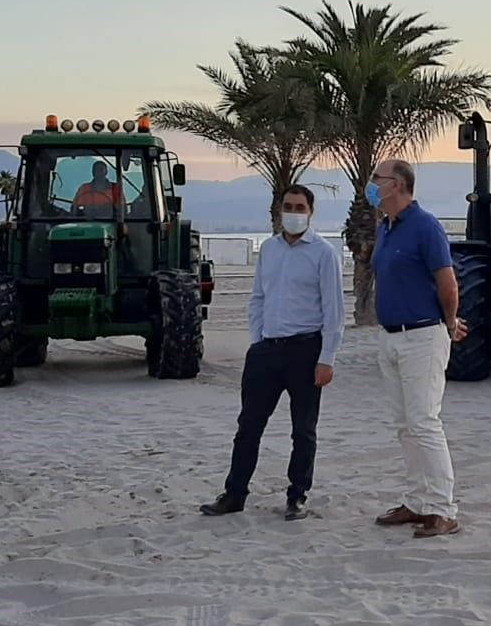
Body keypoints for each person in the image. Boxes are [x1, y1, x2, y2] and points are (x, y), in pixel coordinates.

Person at [200, 183, 344, 521]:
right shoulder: (269, 249)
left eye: (299, 208)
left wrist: (327, 359)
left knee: (303, 430)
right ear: (279, 211)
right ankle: (234, 494)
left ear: (310, 213)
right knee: (249, 426)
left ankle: (297, 497)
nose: (293, 213)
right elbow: (259, 298)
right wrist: (258, 340)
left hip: (305, 351)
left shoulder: (324, 254)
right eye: (288, 207)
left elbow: (334, 313)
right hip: (267, 352)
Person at [368, 157, 466, 539]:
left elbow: (448, 283)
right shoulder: (386, 228)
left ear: (398, 184)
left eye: (378, 178)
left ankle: (443, 508)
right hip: (390, 336)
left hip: (422, 336)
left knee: (425, 422)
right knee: (405, 426)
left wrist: (449, 321)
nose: (372, 185)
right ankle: (417, 501)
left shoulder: (425, 227)